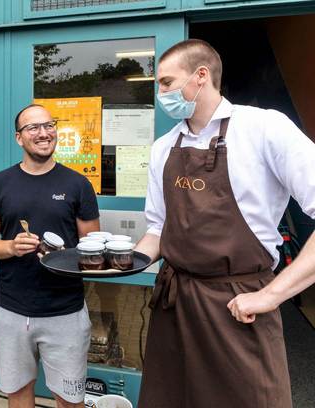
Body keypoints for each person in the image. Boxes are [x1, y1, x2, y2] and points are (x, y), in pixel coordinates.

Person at [136, 39, 315, 408]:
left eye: (166, 83)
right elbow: (157, 230)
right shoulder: (163, 148)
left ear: (200, 76)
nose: (160, 93)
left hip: (240, 308)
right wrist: (121, 262)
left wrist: (270, 295)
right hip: (175, 306)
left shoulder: (264, 129)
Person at [0, 104, 100, 408]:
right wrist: (10, 247)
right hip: (12, 311)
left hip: (65, 312)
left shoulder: (78, 184)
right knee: (18, 394)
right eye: (33, 128)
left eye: (49, 125)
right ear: (19, 138)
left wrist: (68, 257)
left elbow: (92, 245)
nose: (44, 133)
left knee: (70, 399)